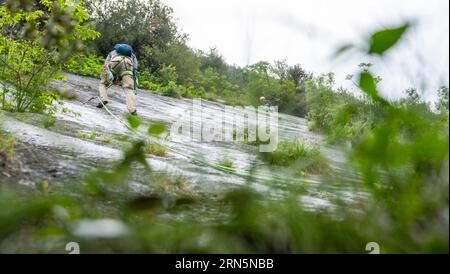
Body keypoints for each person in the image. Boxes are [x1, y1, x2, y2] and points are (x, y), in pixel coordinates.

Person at [97, 44, 138, 115]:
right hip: (128, 65)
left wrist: (106, 76)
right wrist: (133, 80)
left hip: (114, 62)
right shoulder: (133, 56)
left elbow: (106, 65)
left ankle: (104, 99)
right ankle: (132, 110)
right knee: (128, 89)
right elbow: (134, 69)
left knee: (102, 84)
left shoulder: (112, 52)